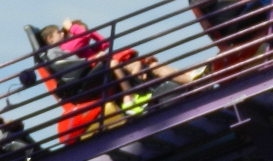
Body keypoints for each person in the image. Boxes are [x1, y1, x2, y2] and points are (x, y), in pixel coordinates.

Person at [39, 21, 206, 112]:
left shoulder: (74, 49)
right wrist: (72, 27)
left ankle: (191, 78)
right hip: (95, 72)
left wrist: (96, 49)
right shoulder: (60, 51)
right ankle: (130, 95)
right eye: (59, 33)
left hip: (102, 65)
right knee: (121, 63)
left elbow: (104, 44)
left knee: (153, 64)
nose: (64, 34)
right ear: (50, 39)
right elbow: (83, 40)